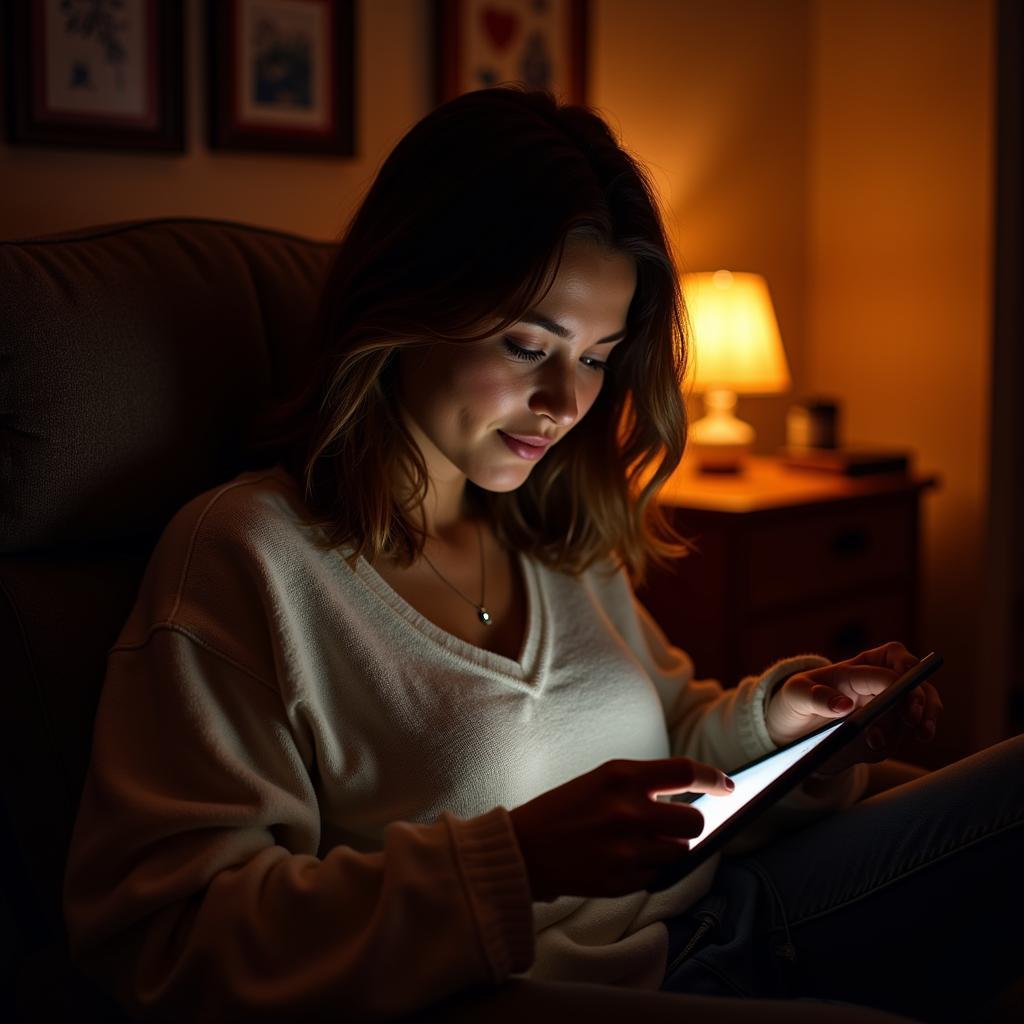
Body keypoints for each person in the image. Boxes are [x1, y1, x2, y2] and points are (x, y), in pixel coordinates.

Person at [63, 87, 1023, 1024]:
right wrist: (513, 863)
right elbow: (170, 941)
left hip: (735, 911)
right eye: (530, 346)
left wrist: (783, 720)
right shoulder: (247, 558)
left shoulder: (546, 526)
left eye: (599, 358)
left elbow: (669, 732)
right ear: (405, 309)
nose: (569, 404)